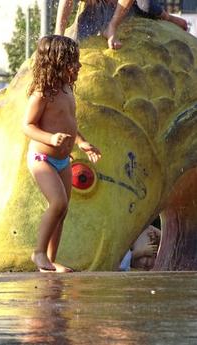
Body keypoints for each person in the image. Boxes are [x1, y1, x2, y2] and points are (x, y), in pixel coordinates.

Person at [23, 35, 101, 273]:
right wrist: (50, 138)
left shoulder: (67, 89)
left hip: (62, 161)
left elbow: (69, 123)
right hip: (42, 159)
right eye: (72, 62)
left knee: (63, 209)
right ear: (56, 63)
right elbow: (27, 125)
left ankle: (50, 258)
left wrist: (83, 142)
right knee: (57, 202)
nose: (78, 66)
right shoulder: (42, 93)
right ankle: (37, 252)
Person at [55, 0, 188, 50]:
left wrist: (112, 26)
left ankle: (169, 18)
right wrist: (58, 34)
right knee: (78, 40)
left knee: (146, 7)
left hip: (133, 4)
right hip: (97, 6)